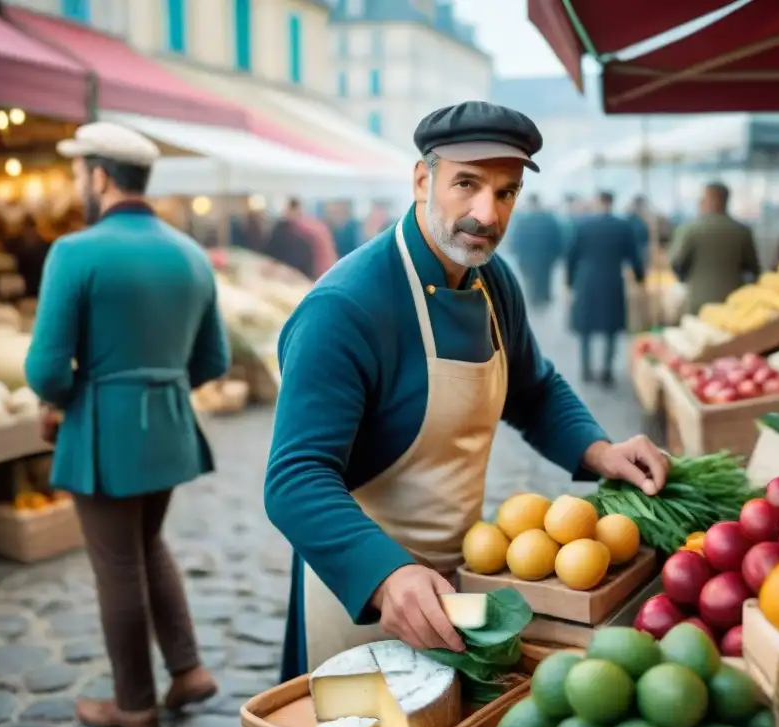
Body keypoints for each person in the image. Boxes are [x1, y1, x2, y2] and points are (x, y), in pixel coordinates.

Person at [265, 101, 670, 682]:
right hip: (364, 592)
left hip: (463, 584)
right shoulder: (344, 309)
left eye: (506, 193)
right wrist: (386, 574)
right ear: (422, 179)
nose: (487, 213)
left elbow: (534, 388)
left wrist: (598, 450)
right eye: (467, 184)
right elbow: (295, 479)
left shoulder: (490, 281)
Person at [24, 122, 231, 727]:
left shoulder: (75, 251)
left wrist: (60, 399)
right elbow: (213, 362)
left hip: (103, 429)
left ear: (99, 176)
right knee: (146, 545)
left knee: (117, 563)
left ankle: (134, 705)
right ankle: (188, 670)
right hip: (168, 426)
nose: (76, 183)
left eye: (77, 172)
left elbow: (44, 367)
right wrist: (158, 387)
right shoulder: (191, 253)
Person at [566, 191, 646, 387]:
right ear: (612, 202)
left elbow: (571, 255)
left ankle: (586, 370)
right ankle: (607, 371)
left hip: (587, 281)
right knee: (610, 327)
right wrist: (640, 277)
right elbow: (634, 256)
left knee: (586, 327)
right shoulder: (623, 226)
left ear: (597, 202)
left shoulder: (583, 225)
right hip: (612, 280)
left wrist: (569, 281)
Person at [669, 182, 760, 314]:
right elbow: (753, 269)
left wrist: (685, 278)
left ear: (707, 199)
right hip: (733, 302)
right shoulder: (742, 231)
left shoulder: (689, 229)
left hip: (698, 301)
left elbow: (676, 262)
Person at [508, 194, 563, 310]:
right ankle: (543, 298)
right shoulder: (549, 219)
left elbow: (516, 241)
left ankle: (534, 299)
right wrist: (556, 256)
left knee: (530, 278)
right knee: (544, 278)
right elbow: (557, 239)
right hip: (546, 258)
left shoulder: (523, 221)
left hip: (528, 258)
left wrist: (518, 255)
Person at [624, 194, 651, 265]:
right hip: (630, 257)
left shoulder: (643, 222)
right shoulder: (630, 220)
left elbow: (646, 245)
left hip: (637, 256)